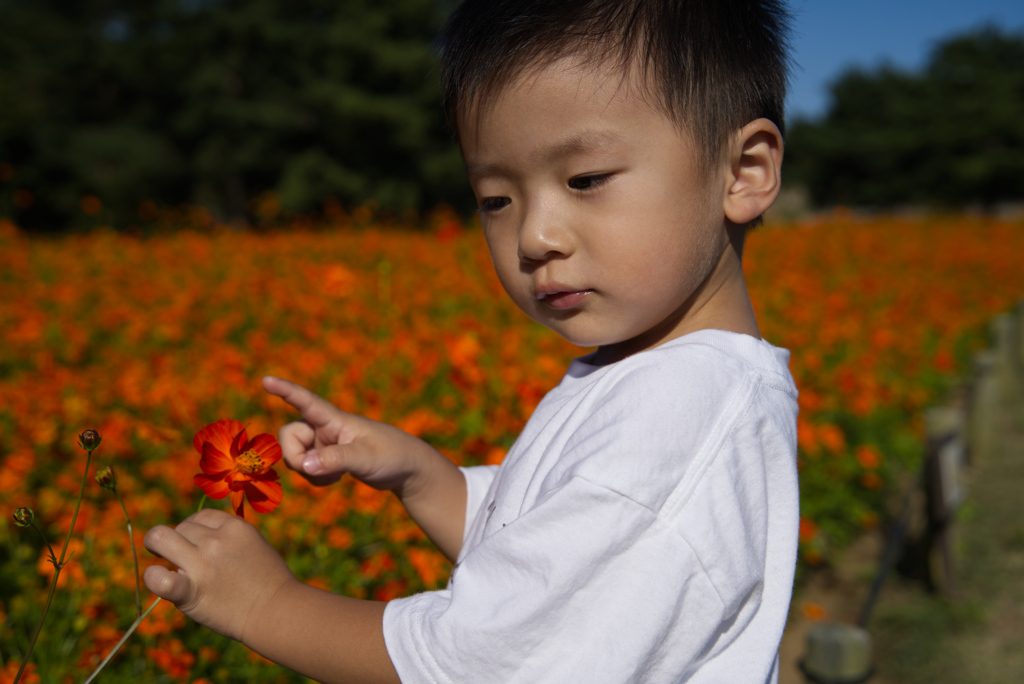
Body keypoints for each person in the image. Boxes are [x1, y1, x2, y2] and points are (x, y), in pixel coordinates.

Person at [143, 1, 798, 681]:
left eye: (585, 180)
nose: (535, 236)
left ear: (744, 171)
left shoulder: (676, 414)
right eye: (495, 198)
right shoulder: (654, 378)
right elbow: (545, 558)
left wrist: (264, 605)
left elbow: (482, 663)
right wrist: (427, 479)